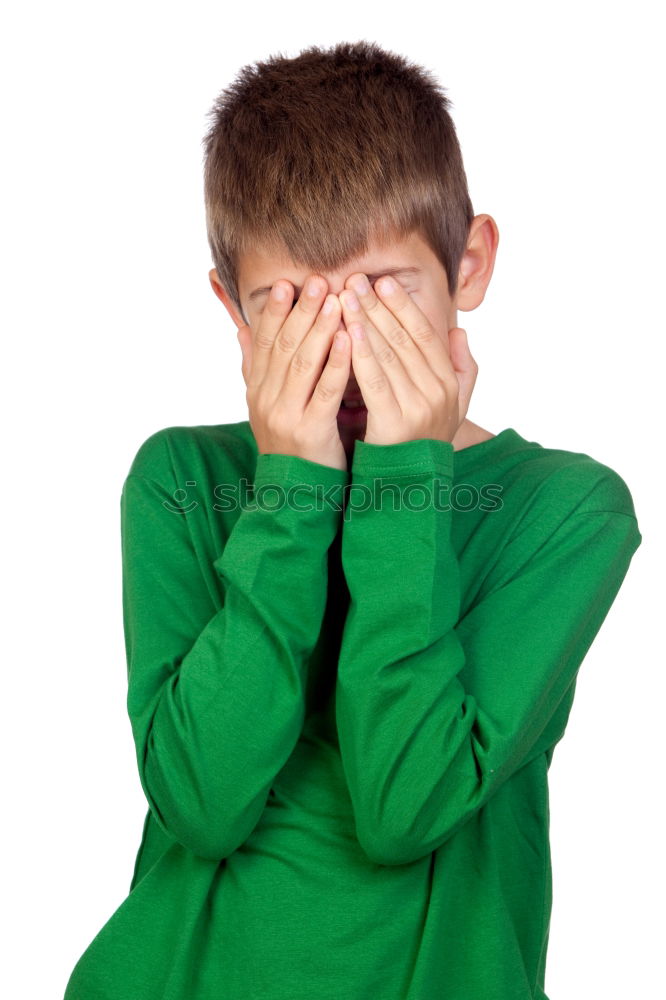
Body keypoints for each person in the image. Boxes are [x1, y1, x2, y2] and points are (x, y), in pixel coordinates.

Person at [63, 40, 642, 1000]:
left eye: (382, 296)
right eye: (288, 308)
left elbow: (404, 806)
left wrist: (404, 479)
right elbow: (202, 804)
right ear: (233, 312)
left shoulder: (565, 509)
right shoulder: (182, 480)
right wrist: (290, 488)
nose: (342, 357)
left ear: (469, 264)